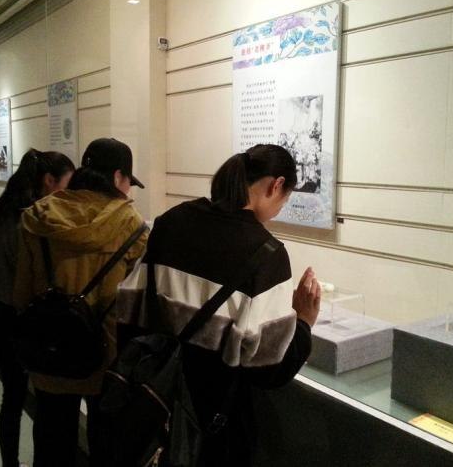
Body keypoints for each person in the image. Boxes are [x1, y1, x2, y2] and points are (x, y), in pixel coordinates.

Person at [117, 143, 321, 466]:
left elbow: (129, 308)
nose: (281, 208)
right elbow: (271, 370)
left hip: (147, 398)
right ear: (276, 185)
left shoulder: (169, 222)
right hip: (210, 424)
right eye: (285, 199)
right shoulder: (268, 255)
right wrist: (304, 322)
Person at [12, 138, 148, 466]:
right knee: (106, 447)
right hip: (107, 358)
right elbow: (137, 307)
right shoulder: (132, 225)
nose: (128, 190)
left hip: (50, 349)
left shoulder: (38, 216)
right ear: (117, 177)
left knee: (52, 444)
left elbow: (21, 295)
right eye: (128, 181)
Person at [0, 149, 75, 467]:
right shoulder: (32, 221)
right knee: (45, 401)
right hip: (31, 322)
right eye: (67, 183)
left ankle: (10, 463)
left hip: (4, 318)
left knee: (12, 399)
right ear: (49, 181)